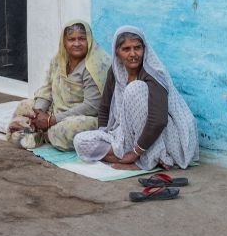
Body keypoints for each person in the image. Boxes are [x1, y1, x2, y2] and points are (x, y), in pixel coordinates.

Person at [74, 26, 199, 170]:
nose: (133, 54)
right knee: (80, 142)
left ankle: (147, 159)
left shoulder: (153, 73)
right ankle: (131, 159)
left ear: (144, 49)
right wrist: (104, 133)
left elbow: (158, 120)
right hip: (125, 134)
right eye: (126, 49)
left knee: (135, 89)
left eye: (137, 48)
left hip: (164, 136)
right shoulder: (116, 71)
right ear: (117, 52)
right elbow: (105, 107)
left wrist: (135, 152)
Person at [7, 20, 111, 150]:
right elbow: (47, 88)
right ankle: (36, 129)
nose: (77, 43)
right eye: (71, 39)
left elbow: (92, 106)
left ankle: (37, 133)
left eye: (82, 39)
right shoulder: (58, 60)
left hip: (84, 117)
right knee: (24, 106)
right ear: (64, 42)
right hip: (56, 110)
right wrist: (37, 114)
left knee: (66, 130)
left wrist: (52, 120)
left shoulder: (95, 66)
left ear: (89, 40)